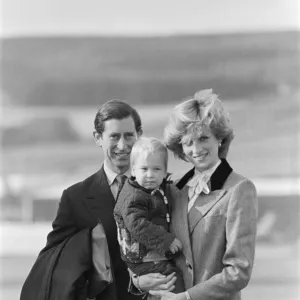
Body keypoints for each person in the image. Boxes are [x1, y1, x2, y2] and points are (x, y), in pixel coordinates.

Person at [20, 100, 177, 300]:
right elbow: (56, 267)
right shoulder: (75, 198)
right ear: (98, 138)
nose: (122, 145)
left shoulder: (169, 188)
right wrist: (133, 282)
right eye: (114, 136)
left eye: (129, 135)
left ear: (139, 134)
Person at [150, 89, 258, 300]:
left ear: (219, 138)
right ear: (180, 147)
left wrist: (188, 297)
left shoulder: (239, 189)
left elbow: (239, 271)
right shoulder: (171, 185)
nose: (196, 149)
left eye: (203, 138)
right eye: (188, 142)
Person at [114, 137, 185, 294]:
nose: (150, 175)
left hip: (150, 254)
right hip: (141, 257)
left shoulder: (154, 187)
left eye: (157, 169)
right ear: (133, 170)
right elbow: (137, 225)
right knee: (173, 278)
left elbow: (170, 184)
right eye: (144, 169)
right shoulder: (133, 196)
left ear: (165, 172)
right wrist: (166, 241)